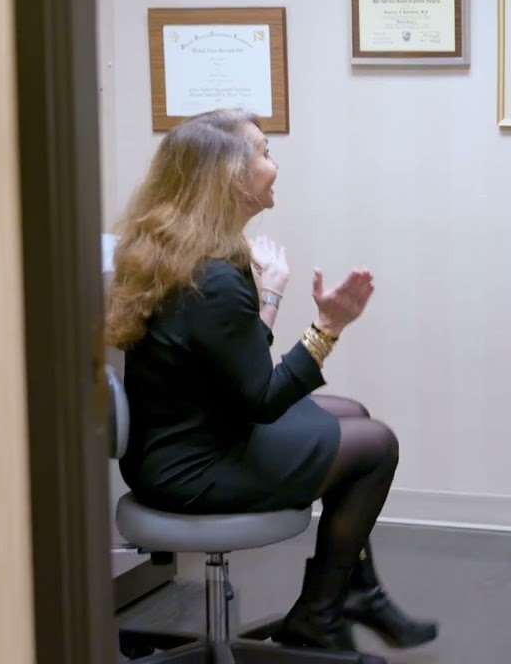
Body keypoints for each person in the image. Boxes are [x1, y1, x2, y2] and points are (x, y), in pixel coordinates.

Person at [105, 108, 437, 655]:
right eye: (263, 151)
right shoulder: (212, 276)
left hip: (172, 444)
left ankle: (350, 592)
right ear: (232, 178)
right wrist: (328, 326)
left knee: (350, 412)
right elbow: (260, 398)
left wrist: (270, 295)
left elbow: (234, 370)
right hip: (193, 468)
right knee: (377, 445)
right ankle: (324, 610)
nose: (273, 164)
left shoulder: (184, 255)